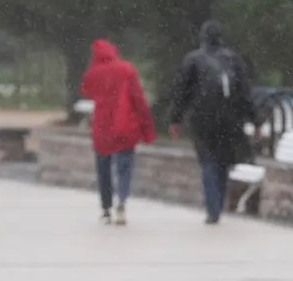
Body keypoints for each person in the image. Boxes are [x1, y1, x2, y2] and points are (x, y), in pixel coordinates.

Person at [168, 20, 256, 224]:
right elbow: (245, 93)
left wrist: (175, 119)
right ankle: (218, 203)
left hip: (202, 119)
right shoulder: (233, 60)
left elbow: (182, 92)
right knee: (223, 162)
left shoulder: (193, 60)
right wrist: (255, 120)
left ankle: (212, 207)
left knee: (208, 161)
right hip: (230, 119)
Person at [79, 39, 155, 225]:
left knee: (103, 168)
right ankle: (121, 201)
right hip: (125, 125)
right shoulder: (127, 69)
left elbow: (85, 91)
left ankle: (106, 208)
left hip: (102, 128)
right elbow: (138, 99)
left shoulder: (92, 73)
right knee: (124, 167)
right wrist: (146, 127)